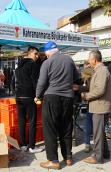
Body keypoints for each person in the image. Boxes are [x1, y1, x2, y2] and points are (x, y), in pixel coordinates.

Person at [35, 41, 79, 170]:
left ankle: (53, 160)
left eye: (46, 54)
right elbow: (77, 77)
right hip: (68, 98)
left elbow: (42, 82)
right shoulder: (69, 60)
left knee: (50, 129)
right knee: (66, 127)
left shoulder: (47, 63)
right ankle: (68, 157)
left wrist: (38, 96)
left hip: (52, 98)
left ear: (48, 52)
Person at [81, 50, 111, 164]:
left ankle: (97, 157)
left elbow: (99, 90)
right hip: (99, 105)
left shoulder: (102, 71)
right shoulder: (97, 70)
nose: (89, 61)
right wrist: (80, 88)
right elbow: (93, 87)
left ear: (94, 60)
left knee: (97, 133)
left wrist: (85, 96)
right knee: (100, 132)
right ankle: (105, 153)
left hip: (100, 106)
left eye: (90, 59)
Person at [15, 46, 44, 153]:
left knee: (21, 121)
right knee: (32, 121)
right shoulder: (32, 64)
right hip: (29, 95)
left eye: (38, 54)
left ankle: (23, 145)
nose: (37, 56)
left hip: (19, 96)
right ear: (30, 53)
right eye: (35, 54)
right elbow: (35, 82)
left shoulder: (19, 65)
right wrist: (38, 95)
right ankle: (32, 146)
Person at [80, 60, 94, 153]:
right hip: (92, 103)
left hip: (93, 102)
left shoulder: (91, 76)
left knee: (89, 123)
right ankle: (88, 144)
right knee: (89, 123)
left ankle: (88, 144)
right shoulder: (91, 76)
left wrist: (85, 95)